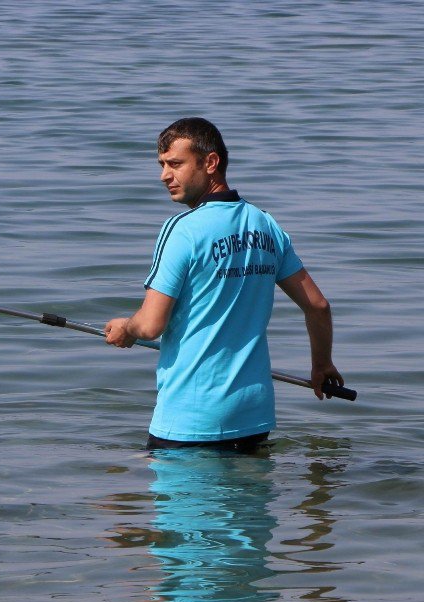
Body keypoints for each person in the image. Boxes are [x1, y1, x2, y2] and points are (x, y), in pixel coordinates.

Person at [104, 117, 342, 452]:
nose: (164, 176)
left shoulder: (182, 229)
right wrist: (321, 365)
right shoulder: (266, 224)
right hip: (252, 418)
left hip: (190, 422)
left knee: (117, 501)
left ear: (211, 162)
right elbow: (317, 306)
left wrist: (126, 328)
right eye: (161, 165)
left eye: (175, 164)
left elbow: (151, 325)